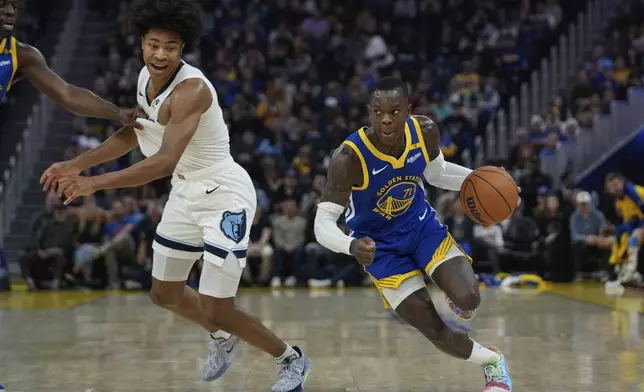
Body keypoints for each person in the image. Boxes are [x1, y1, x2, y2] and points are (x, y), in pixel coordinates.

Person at [39, 0, 311, 390]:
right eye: (153, 44)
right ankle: (223, 337)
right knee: (163, 293)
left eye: (171, 46)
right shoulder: (143, 79)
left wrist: (94, 183)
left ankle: (291, 359)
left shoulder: (192, 89)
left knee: (218, 307)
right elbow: (136, 131)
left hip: (224, 195)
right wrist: (78, 164)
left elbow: (164, 160)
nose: (160, 54)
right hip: (185, 191)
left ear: (183, 49)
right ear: (141, 43)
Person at [314, 77, 512, 392]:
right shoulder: (348, 157)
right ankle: (492, 363)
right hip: (380, 250)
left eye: (394, 111)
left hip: (421, 227)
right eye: (378, 112)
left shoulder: (425, 131)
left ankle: (454, 291)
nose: (386, 119)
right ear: (369, 113)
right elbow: (322, 223)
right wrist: (349, 245)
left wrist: (478, 179)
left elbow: (436, 173)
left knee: (469, 298)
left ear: (408, 110)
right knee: (436, 331)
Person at [0, 0, 136, 125]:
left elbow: (68, 94)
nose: (10, 11)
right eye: (2, 4)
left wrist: (118, 113)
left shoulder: (21, 55)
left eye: (14, 5)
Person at [605, 173, 643, 287]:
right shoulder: (619, 202)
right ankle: (619, 270)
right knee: (620, 236)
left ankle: (631, 272)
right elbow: (629, 221)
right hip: (638, 223)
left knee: (634, 237)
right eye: (611, 186)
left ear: (622, 182)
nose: (615, 188)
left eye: (616, 184)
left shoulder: (637, 193)